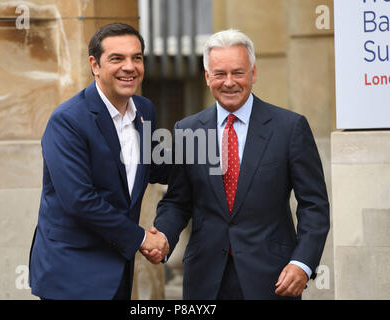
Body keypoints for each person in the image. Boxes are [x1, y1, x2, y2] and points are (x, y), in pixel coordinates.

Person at [145, 29, 330, 299]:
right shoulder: (188, 130)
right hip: (205, 281)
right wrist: (163, 236)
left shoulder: (289, 128)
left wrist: (302, 263)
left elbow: (314, 205)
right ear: (208, 77)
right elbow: (177, 201)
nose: (229, 82)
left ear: (253, 74)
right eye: (220, 74)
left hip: (273, 278)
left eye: (238, 72)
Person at [29, 23, 169, 300]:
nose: (129, 67)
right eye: (117, 58)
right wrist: (142, 239)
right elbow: (80, 199)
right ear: (95, 64)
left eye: (136, 58)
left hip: (118, 270)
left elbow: (155, 167)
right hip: (72, 273)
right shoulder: (68, 120)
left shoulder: (145, 110)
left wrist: (214, 161)